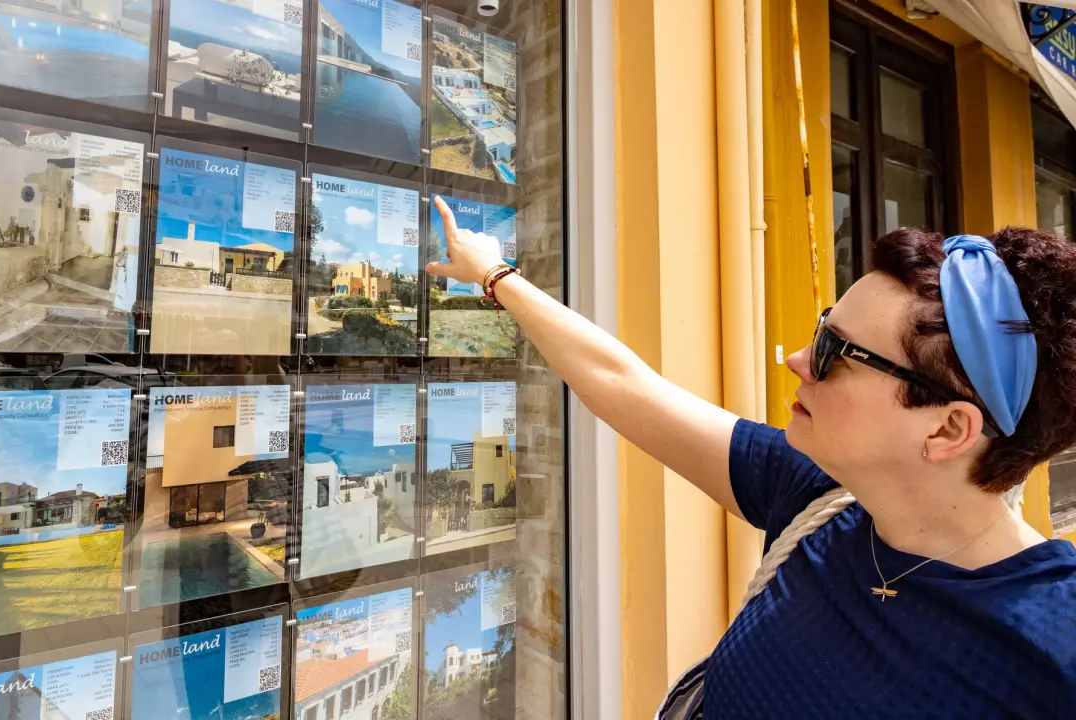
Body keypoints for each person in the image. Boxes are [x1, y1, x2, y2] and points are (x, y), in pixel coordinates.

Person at [428, 196, 1076, 717]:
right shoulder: (823, 502)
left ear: (948, 429)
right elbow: (623, 383)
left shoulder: (1054, 647)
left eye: (835, 352)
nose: (797, 359)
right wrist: (494, 275)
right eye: (821, 330)